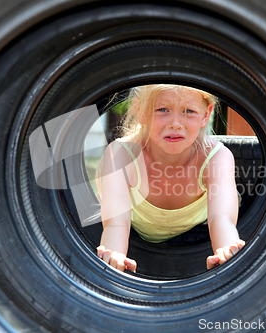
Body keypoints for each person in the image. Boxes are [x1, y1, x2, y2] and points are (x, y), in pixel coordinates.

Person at [95, 84, 245, 273]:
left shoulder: (215, 157)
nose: (175, 123)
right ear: (141, 111)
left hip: (197, 235)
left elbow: (222, 220)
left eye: (188, 111)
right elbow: (116, 223)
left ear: (206, 115)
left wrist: (226, 251)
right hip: (134, 235)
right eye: (163, 110)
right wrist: (114, 256)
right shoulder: (122, 155)